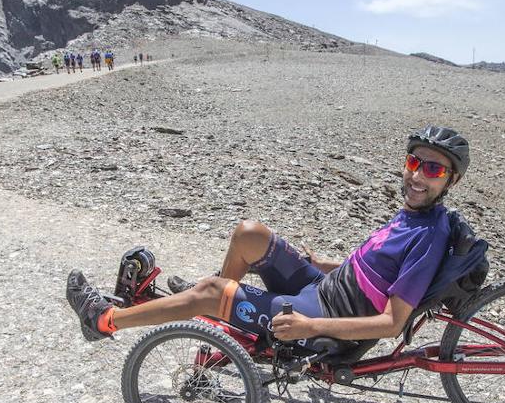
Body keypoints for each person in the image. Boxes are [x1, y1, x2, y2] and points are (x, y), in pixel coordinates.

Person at [66, 126, 470, 343]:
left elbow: (391, 323)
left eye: (432, 170)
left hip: (323, 317)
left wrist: (312, 328)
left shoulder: (428, 235)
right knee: (250, 234)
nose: (417, 175)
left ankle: (105, 320)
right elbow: (372, 274)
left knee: (208, 292)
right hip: (324, 287)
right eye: (414, 162)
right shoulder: (413, 216)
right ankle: (219, 312)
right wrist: (320, 264)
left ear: (450, 180)